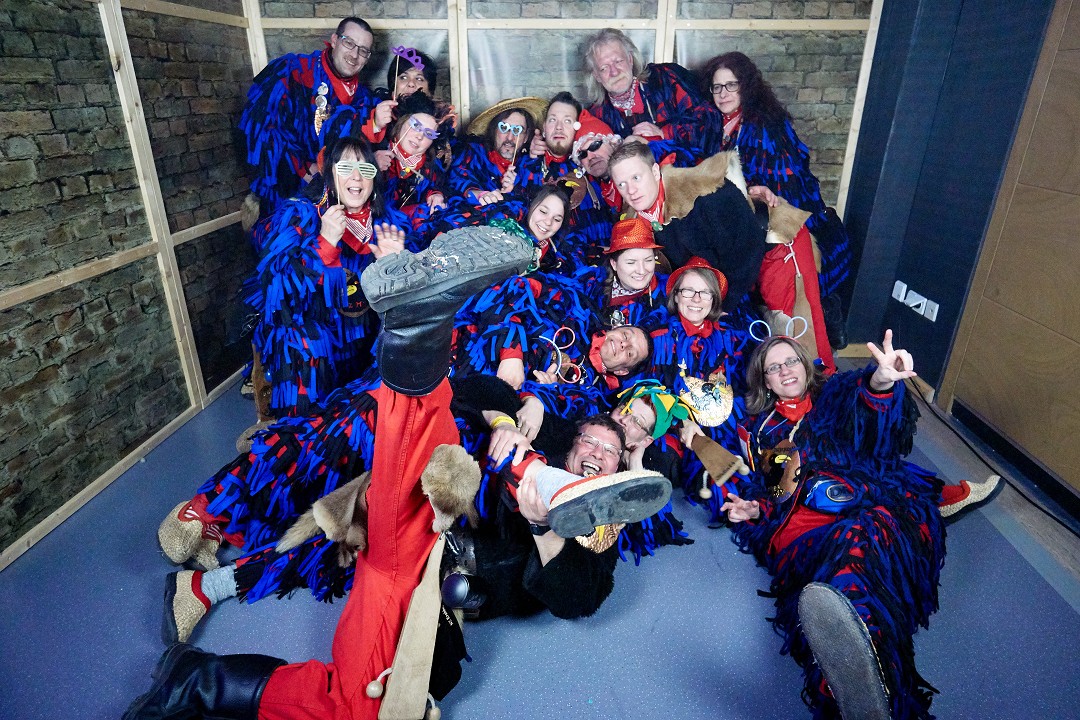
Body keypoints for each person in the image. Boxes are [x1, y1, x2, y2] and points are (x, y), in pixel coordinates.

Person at [128, 225, 672, 720]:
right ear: (574, 438)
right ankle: (420, 327)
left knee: (372, 701)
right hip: (424, 525)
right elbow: (480, 389)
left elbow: (578, 599)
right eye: (592, 440)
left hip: (440, 599)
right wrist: (507, 420)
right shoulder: (553, 428)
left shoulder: (606, 524)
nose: (598, 449)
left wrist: (542, 526)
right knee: (386, 464)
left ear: (622, 460)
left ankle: (197, 658)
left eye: (610, 450)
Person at [721, 331, 946, 720]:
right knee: (840, 565)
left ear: (805, 365)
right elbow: (775, 493)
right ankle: (864, 684)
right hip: (810, 527)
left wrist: (880, 380)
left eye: (791, 361)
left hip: (867, 501)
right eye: (773, 368)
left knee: (865, 539)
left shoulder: (834, 395)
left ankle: (858, 681)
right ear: (766, 382)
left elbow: (868, 408)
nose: (785, 370)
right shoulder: (765, 432)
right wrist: (755, 511)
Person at [245, 136, 410, 421]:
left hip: (367, 345)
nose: (356, 177)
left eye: (365, 169)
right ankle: (308, 426)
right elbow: (279, 297)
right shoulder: (300, 216)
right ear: (330, 175)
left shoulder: (388, 225)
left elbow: (408, 305)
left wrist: (393, 269)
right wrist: (324, 243)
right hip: (322, 345)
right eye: (345, 167)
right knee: (301, 339)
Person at [701, 51, 853, 343]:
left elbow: (787, 182)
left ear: (746, 86)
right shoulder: (715, 123)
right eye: (717, 87)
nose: (723, 93)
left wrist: (758, 191)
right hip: (737, 211)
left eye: (731, 85)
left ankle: (811, 327)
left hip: (780, 213)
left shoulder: (763, 124)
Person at [240, 17, 395, 217]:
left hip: (337, 201)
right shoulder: (293, 72)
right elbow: (261, 130)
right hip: (288, 195)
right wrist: (302, 169)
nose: (355, 54)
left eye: (363, 50)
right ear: (334, 40)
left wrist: (371, 159)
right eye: (349, 43)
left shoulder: (364, 98)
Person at [607, 140, 767, 314]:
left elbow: (748, 250)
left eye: (636, 178)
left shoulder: (708, 195)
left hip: (747, 284)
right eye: (622, 184)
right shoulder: (632, 223)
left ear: (655, 172)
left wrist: (722, 307)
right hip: (694, 299)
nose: (630, 190)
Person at [583, 28, 721, 155]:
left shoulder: (666, 78)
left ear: (630, 60)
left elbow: (710, 118)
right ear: (596, 76)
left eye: (618, 61)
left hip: (690, 170)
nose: (614, 72)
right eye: (604, 68)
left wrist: (663, 133)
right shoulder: (597, 115)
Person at [575, 216, 668, 330]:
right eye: (631, 262)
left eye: (648, 260)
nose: (641, 270)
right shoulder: (590, 286)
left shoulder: (668, 293)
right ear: (614, 264)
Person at [447, 99, 542, 205]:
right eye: (504, 128)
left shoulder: (532, 164)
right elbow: (458, 179)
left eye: (517, 130)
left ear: (526, 137)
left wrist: (515, 190)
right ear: (494, 130)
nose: (510, 137)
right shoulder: (474, 153)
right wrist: (481, 195)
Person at [379, 92, 450, 234]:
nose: (419, 136)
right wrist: (371, 165)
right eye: (416, 125)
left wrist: (436, 194)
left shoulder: (431, 167)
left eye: (428, 133)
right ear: (402, 122)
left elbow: (436, 186)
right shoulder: (377, 148)